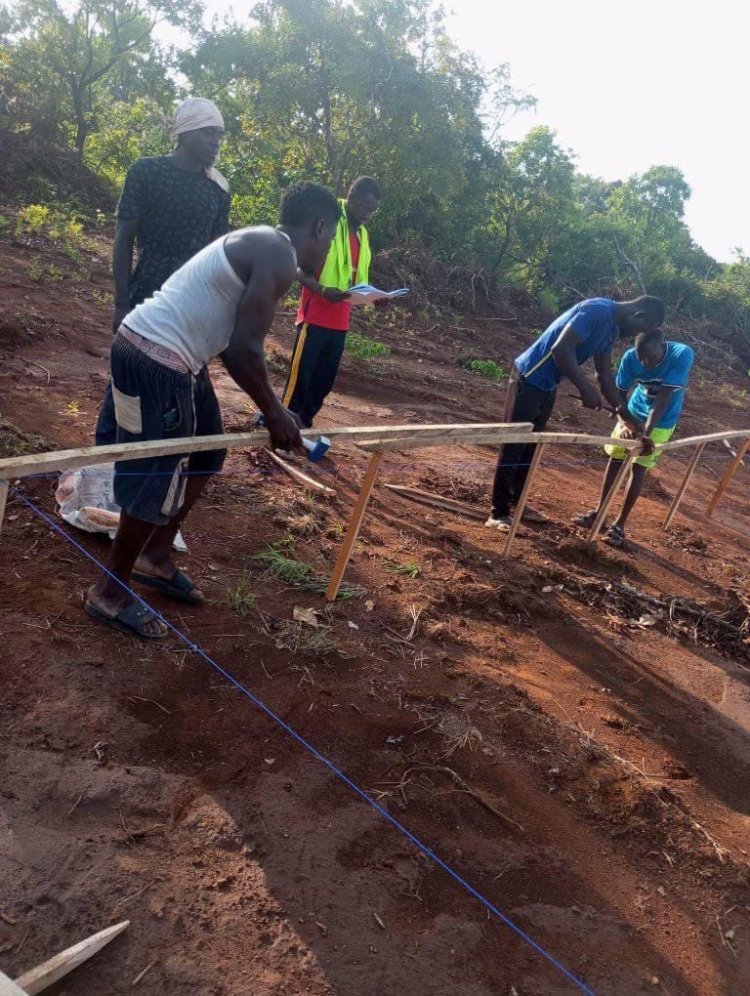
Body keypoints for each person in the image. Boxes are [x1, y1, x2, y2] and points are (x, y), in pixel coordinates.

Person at [85, 182, 341, 639]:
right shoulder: (278, 253)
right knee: (156, 476)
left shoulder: (262, 242)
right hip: (156, 358)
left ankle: (155, 556)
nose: (328, 251)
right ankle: (110, 591)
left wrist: (275, 411)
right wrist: (277, 414)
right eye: (330, 240)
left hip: (170, 357)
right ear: (320, 226)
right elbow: (244, 350)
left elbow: (229, 344)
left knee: (207, 453)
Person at [95, 97, 231, 446]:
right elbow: (125, 238)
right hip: (147, 296)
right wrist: (121, 302)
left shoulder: (218, 188)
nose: (216, 141)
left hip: (192, 305)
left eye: (219, 134)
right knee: (127, 385)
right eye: (208, 133)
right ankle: (106, 458)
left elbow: (216, 256)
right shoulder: (147, 172)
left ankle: (158, 458)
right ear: (184, 133)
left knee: (180, 383)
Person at [486, 295, 666, 531]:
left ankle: (516, 504)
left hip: (547, 385)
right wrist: (585, 388)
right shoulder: (597, 311)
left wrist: (628, 419)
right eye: (639, 329)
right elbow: (561, 348)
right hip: (529, 378)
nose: (634, 335)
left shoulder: (610, 331)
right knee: (514, 446)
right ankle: (498, 513)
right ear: (638, 315)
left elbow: (603, 376)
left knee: (530, 447)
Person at [573, 330, 694, 547]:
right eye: (642, 357)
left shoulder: (681, 354)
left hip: (662, 419)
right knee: (616, 458)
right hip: (633, 411)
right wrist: (625, 421)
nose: (646, 362)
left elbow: (664, 398)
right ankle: (599, 513)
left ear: (662, 346)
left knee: (638, 466)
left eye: (651, 357)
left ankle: (619, 524)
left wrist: (644, 434)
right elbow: (618, 393)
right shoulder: (630, 357)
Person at [280, 175, 381, 427]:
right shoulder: (327, 221)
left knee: (323, 380)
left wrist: (374, 297)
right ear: (351, 198)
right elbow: (299, 267)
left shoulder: (363, 235)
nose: (368, 214)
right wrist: (323, 290)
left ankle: (304, 426)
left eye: (373, 211)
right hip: (315, 314)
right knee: (300, 378)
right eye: (365, 207)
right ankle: (282, 426)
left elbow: (356, 277)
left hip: (340, 320)